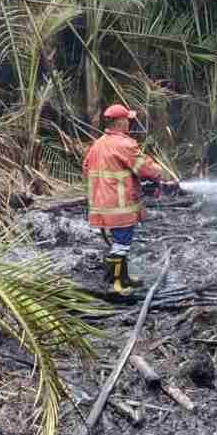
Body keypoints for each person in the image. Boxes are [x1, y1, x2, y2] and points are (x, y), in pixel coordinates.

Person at [83, 104, 163, 294]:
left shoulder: (98, 143)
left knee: (120, 242)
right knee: (121, 243)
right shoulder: (125, 144)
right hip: (120, 205)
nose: (130, 123)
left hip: (102, 204)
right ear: (120, 122)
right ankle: (116, 283)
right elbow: (145, 168)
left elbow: (86, 168)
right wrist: (160, 173)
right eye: (128, 120)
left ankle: (124, 277)